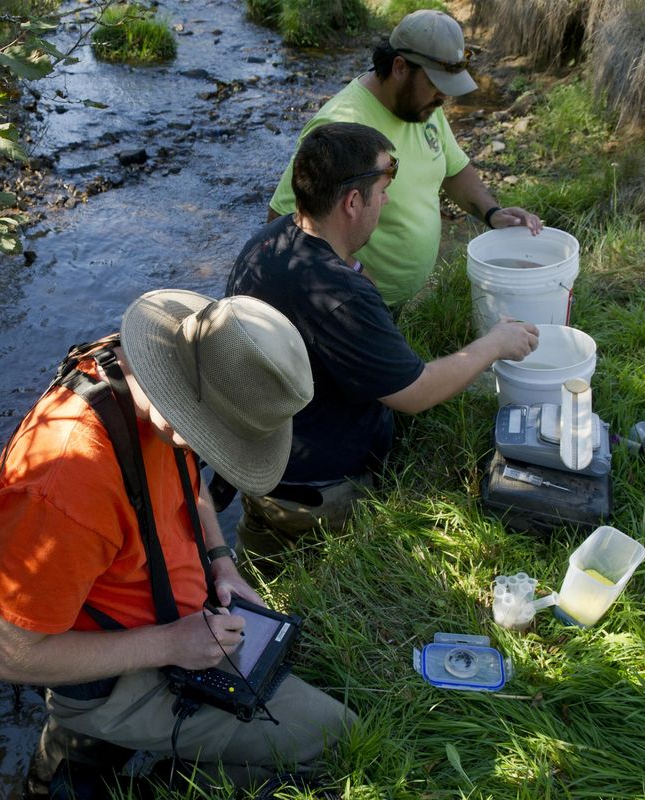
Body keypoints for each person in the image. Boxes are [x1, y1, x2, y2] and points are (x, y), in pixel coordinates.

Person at [0, 289, 356, 794]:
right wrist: (171, 643)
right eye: (209, 435)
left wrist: (222, 562)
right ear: (177, 412)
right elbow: (5, 655)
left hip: (173, 623)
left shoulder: (155, 365)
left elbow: (188, 482)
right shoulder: (63, 487)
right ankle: (161, 784)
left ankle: (69, 767)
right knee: (339, 741)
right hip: (117, 674)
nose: (207, 451)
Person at [227, 122, 539, 557]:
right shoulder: (339, 298)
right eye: (382, 190)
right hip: (319, 497)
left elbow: (343, 278)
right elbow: (415, 392)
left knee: (257, 586)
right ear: (353, 201)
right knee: (324, 603)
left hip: (262, 473)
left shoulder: (271, 241)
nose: (387, 200)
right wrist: (495, 343)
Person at [267, 9, 543, 309]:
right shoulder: (341, 125)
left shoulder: (423, 106)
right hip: (352, 305)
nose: (444, 98)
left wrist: (492, 213)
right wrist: (355, 274)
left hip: (397, 304)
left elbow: (454, 169)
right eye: (437, 85)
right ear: (400, 67)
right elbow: (284, 223)